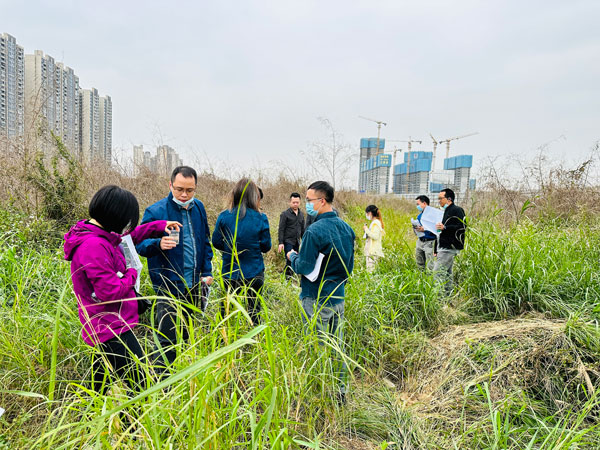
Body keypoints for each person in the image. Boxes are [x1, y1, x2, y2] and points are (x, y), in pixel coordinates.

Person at [64, 185, 180, 394]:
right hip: (109, 327)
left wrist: (160, 226)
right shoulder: (93, 246)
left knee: (97, 385)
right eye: (125, 220)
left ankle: (90, 420)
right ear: (114, 217)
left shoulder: (100, 234)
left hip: (104, 323)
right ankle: (135, 425)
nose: (126, 226)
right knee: (142, 386)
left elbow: (129, 237)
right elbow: (109, 291)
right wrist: (131, 273)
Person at [136, 166, 214, 368]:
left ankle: (181, 380)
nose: (184, 194)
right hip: (168, 286)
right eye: (179, 189)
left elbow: (204, 241)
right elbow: (139, 244)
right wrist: (157, 244)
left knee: (186, 335)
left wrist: (206, 272)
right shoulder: (156, 211)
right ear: (170, 185)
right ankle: (163, 387)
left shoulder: (199, 208)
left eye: (190, 190)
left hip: (194, 285)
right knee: (166, 341)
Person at [287, 181, 355, 403]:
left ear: (322, 201)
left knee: (316, 347)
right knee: (337, 347)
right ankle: (339, 393)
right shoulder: (347, 229)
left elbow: (305, 267)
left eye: (309, 200)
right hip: (338, 297)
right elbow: (349, 268)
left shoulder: (314, 231)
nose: (307, 204)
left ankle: (318, 394)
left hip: (315, 297)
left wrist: (292, 257)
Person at [212, 178, 271, 325]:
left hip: (230, 272)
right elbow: (266, 246)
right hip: (254, 271)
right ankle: (254, 341)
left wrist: (230, 250)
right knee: (254, 310)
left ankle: (224, 340)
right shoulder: (261, 218)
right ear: (254, 196)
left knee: (226, 310)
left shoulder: (224, 216)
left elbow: (216, 242)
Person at [434, 188, 466, 295]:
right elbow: (439, 232)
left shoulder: (457, 210)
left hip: (449, 247)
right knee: (447, 275)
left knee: (437, 274)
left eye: (440, 198)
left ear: (449, 199)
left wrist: (445, 227)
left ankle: (437, 300)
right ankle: (448, 299)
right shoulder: (443, 211)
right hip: (442, 246)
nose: (439, 200)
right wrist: (435, 249)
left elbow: (462, 226)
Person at [278, 192, 305, 277]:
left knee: (296, 259)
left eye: (297, 202)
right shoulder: (285, 214)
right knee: (289, 259)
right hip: (288, 241)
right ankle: (287, 278)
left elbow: (302, 229)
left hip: (297, 241)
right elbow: (281, 229)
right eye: (293, 202)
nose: (295, 204)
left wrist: (304, 240)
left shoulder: (301, 214)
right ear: (290, 202)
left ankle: (286, 274)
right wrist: (281, 243)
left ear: (300, 202)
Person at [413, 195, 438, 271]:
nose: (417, 206)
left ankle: (431, 280)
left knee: (430, 264)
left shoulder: (433, 215)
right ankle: (421, 278)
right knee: (419, 262)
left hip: (429, 242)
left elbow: (436, 229)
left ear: (424, 203)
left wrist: (425, 229)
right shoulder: (419, 216)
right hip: (420, 241)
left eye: (418, 204)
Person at [363, 204, 385, 272]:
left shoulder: (376, 223)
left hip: (373, 251)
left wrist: (366, 229)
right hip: (372, 251)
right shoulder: (374, 222)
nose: (366, 215)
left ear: (370, 213)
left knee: (371, 271)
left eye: (367, 213)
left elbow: (375, 236)